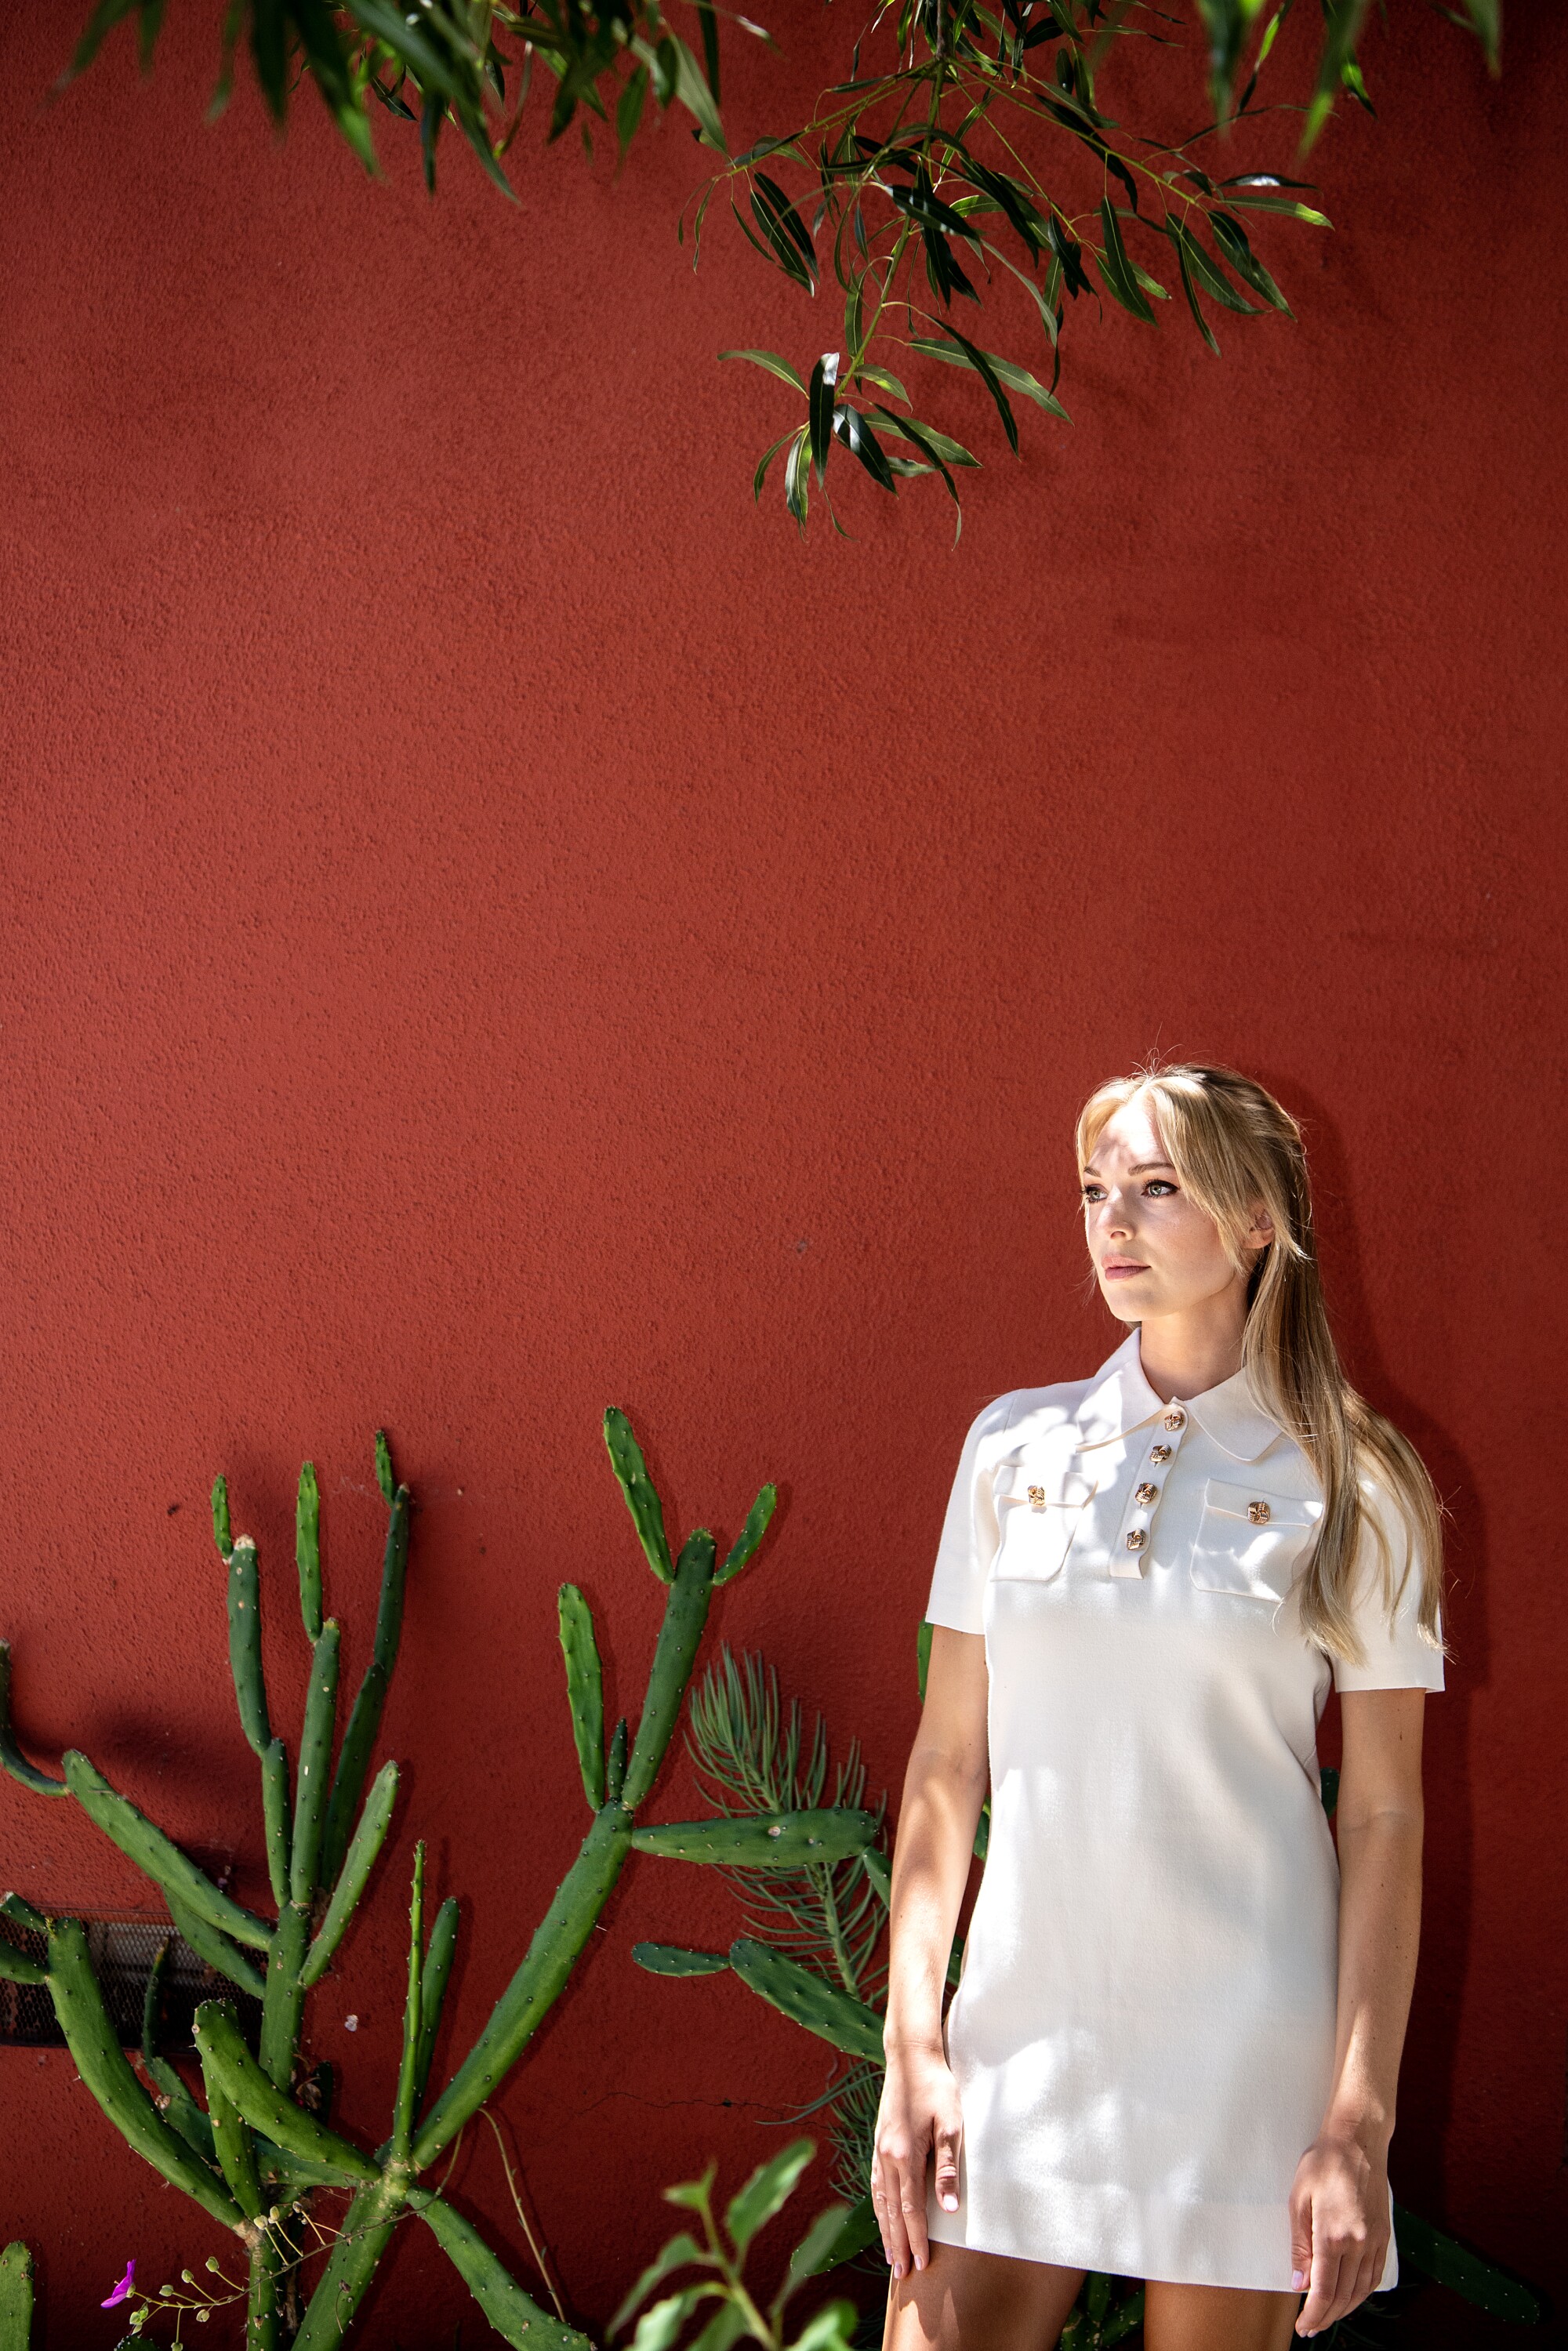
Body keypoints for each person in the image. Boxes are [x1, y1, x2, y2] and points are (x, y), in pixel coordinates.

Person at [872, 1065, 1444, 2351]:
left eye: (1156, 1187)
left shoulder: (1358, 1481)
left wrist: (1357, 2122)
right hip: (1018, 2034)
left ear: (1259, 1222)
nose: (1112, 1223)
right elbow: (946, 1765)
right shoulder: (1009, 1452)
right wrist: (914, 2047)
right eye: (1094, 1192)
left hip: (1246, 2046)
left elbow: (1388, 1813)